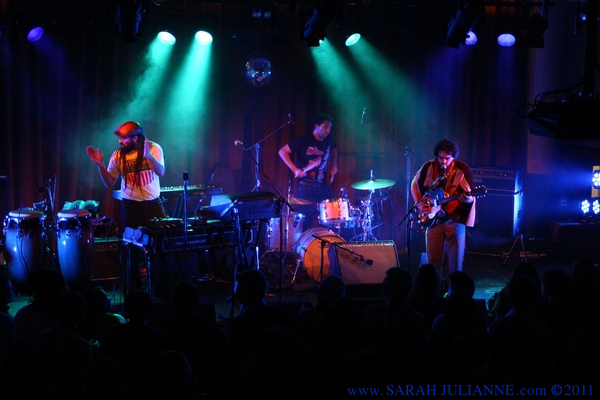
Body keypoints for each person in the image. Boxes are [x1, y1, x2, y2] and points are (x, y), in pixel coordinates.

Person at [410, 138, 476, 279]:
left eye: (447, 158)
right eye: (441, 158)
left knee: (455, 263)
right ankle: (434, 288)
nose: (444, 162)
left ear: (453, 157)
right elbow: (414, 183)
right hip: (434, 220)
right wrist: (419, 203)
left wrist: (469, 199)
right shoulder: (429, 166)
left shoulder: (462, 169)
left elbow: (471, 195)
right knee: (432, 261)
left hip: (455, 219)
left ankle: (453, 289)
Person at [86, 121, 167, 229]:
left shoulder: (153, 148)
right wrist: (100, 165)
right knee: (131, 239)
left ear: (135, 138)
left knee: (161, 236)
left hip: (153, 205)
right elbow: (109, 183)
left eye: (124, 138)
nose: (120, 141)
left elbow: (160, 172)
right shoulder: (117, 155)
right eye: (120, 138)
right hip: (130, 207)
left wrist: (149, 157)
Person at [278, 112, 338, 228]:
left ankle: (327, 238)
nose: (328, 130)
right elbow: (282, 151)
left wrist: (334, 164)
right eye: (325, 126)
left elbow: (334, 148)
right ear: (316, 126)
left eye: (330, 127)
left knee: (330, 216)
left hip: (321, 185)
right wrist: (295, 169)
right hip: (305, 186)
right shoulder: (304, 140)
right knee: (306, 221)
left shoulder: (329, 139)